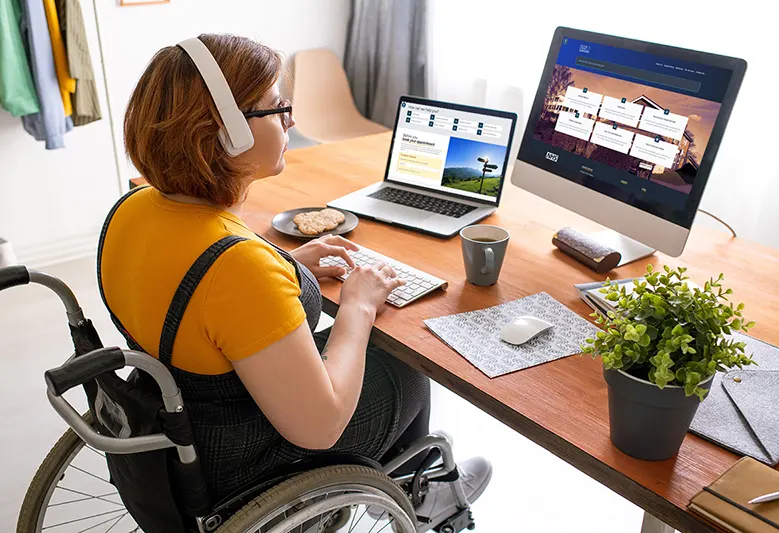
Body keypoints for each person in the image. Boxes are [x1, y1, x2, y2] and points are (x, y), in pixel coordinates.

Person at [98, 33, 491, 530]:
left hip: (176, 426)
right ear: (226, 132)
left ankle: (422, 489)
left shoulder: (133, 209)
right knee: (405, 360)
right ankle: (427, 495)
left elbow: (197, 294)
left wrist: (285, 264)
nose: (291, 121)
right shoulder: (239, 269)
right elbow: (320, 428)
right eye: (277, 108)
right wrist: (358, 306)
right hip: (238, 462)